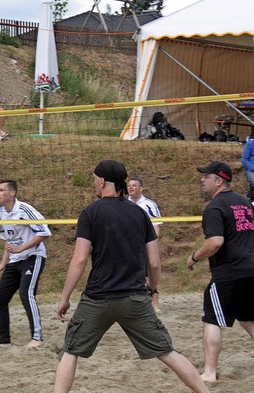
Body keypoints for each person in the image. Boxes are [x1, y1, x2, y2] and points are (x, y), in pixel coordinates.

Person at [53, 160, 209, 393]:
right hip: (134, 298)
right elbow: (154, 263)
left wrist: (65, 297)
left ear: (103, 181)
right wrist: (153, 290)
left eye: (95, 178)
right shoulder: (139, 214)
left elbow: (80, 259)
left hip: (98, 298)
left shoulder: (90, 213)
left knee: (71, 351)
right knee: (167, 352)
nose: (94, 182)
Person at [186, 161, 254, 383]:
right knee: (249, 320)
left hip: (229, 273)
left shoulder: (215, 207)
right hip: (251, 270)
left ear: (218, 181)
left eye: (206, 176)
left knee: (212, 320)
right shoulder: (245, 203)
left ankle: (210, 373)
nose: (201, 180)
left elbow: (215, 242)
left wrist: (194, 256)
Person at [0, 179, 51, 348]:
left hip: (33, 256)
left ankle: (37, 338)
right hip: (15, 260)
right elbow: (8, 240)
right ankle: (4, 340)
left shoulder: (24, 209)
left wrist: (22, 248)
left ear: (12, 193)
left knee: (26, 293)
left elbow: (44, 233)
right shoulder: (1, 212)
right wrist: (3, 262)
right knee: (0, 297)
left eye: (1, 190)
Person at [128, 176, 164, 313]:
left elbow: (156, 226)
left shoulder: (149, 204)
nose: (130, 187)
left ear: (141, 188)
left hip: (145, 245)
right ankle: (137, 304)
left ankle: (155, 304)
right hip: (128, 246)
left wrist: (152, 244)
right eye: (129, 185)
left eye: (134, 185)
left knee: (152, 273)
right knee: (134, 276)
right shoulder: (124, 203)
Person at [241, 135, 254, 201]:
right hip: (251, 170)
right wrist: (252, 167)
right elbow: (244, 159)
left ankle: (250, 193)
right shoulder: (250, 144)